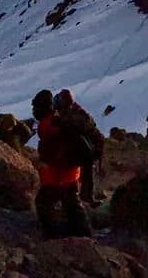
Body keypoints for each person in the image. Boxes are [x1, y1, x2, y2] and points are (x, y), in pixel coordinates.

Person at [33, 90, 90, 238]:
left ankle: (54, 238)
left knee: (44, 204)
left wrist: (46, 163)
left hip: (57, 176)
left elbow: (50, 152)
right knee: (72, 204)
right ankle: (83, 235)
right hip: (70, 172)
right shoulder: (61, 119)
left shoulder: (48, 124)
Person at [55, 90, 105, 205]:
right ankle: (86, 194)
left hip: (78, 149)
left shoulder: (70, 115)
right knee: (87, 165)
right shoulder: (77, 113)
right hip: (81, 149)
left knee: (84, 165)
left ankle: (82, 195)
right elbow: (91, 126)